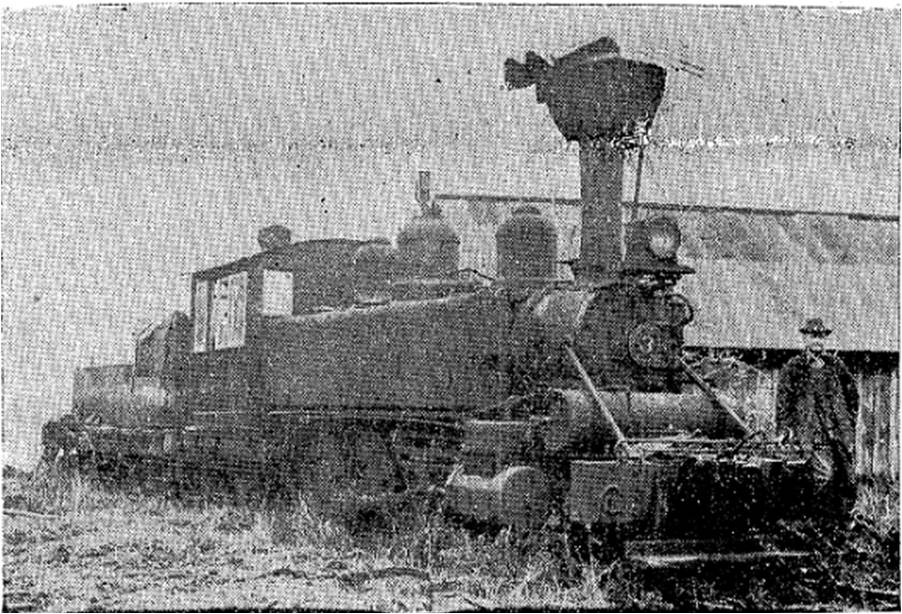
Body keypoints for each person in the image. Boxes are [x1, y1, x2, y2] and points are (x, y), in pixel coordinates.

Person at [776, 317, 859, 520]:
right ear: (804, 338)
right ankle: (816, 522)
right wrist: (785, 429)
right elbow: (783, 403)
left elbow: (852, 396)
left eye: (821, 336)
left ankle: (839, 523)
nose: (817, 341)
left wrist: (848, 423)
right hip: (808, 434)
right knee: (821, 476)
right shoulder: (794, 368)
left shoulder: (836, 366)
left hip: (836, 434)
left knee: (845, 478)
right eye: (813, 336)